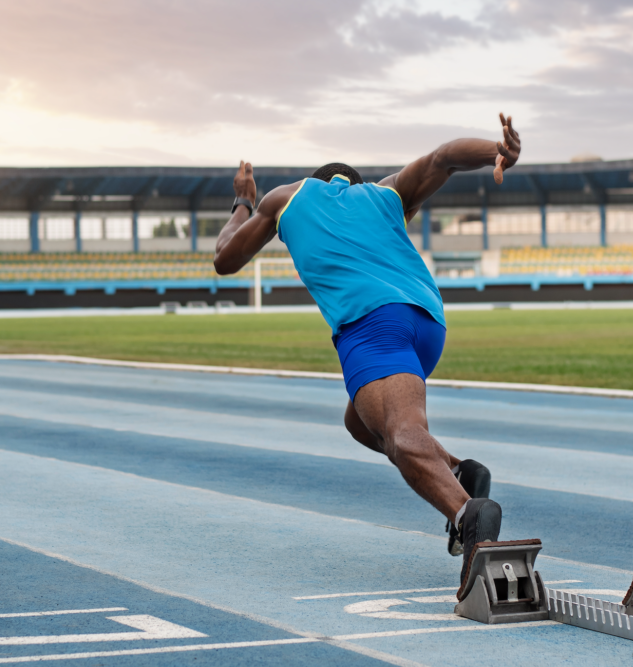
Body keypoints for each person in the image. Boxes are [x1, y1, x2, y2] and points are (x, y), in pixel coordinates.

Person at [213, 114, 521, 582]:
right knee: (359, 422)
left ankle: (467, 515)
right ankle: (459, 472)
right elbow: (444, 158)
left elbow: (225, 258)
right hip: (426, 322)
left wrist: (243, 201)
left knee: (401, 435)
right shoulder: (386, 195)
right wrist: (497, 153)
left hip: (371, 324)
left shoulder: (288, 197)